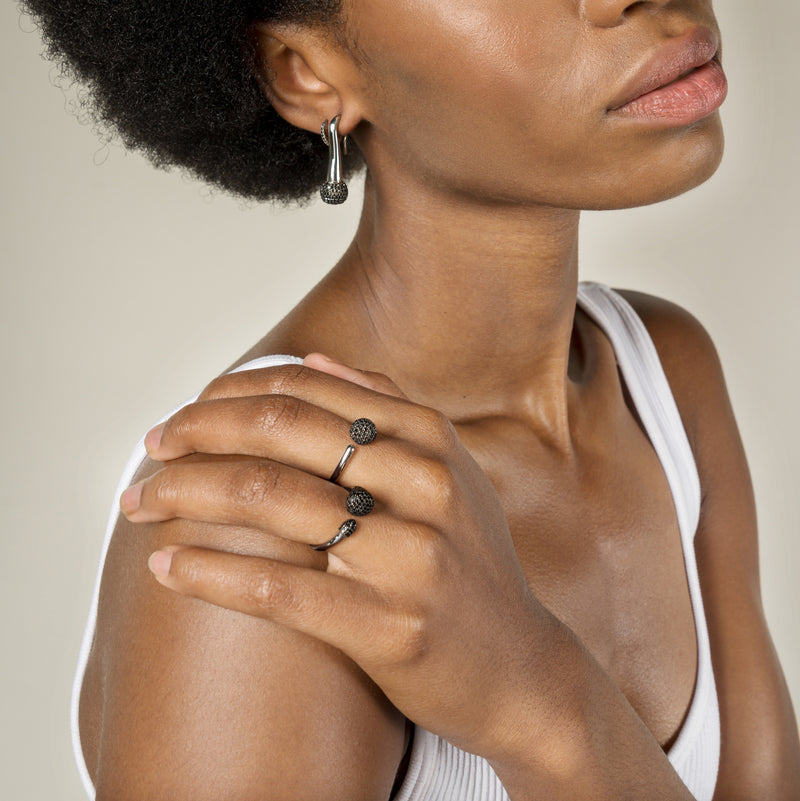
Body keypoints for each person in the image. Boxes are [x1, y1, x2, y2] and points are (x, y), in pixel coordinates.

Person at [24, 0, 800, 798]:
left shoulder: (661, 378)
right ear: (308, 73)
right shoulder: (265, 525)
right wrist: (539, 710)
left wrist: (540, 695)